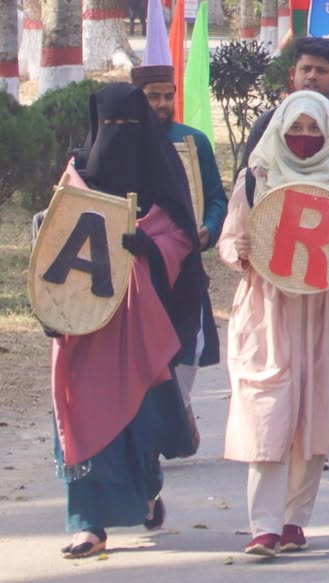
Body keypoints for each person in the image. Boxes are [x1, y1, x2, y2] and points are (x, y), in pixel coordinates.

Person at [218, 91, 329, 559]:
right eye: (296, 128)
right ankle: (263, 526)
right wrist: (239, 250)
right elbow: (230, 241)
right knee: (268, 412)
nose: (304, 138)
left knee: (314, 413)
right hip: (267, 309)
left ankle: (293, 520)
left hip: (327, 310)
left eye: (314, 130)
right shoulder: (255, 177)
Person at [50, 85, 204, 558]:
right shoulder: (75, 175)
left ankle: (148, 488)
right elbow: (55, 241)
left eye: (128, 127)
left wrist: (149, 250)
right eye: (110, 127)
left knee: (141, 424)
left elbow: (180, 238)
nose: (118, 137)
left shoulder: (163, 172)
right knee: (81, 417)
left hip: (143, 324)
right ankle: (88, 524)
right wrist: (51, 307)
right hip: (84, 325)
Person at [131, 63, 226, 407]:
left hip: (185, 262)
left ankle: (179, 412)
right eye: (153, 96)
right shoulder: (122, 142)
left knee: (191, 343)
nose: (162, 104)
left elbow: (215, 198)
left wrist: (209, 229)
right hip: (139, 263)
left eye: (168, 96)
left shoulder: (193, 142)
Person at [242, 37, 329, 216]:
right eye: (306, 69)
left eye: (321, 71)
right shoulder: (268, 124)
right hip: (272, 226)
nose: (312, 76)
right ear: (293, 73)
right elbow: (247, 179)